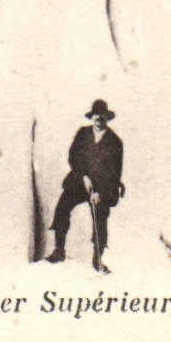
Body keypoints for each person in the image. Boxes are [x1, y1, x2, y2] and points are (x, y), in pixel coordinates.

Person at [44, 99, 124, 273]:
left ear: (107, 119)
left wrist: (99, 192)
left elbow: (114, 173)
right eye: (96, 116)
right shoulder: (82, 134)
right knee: (62, 208)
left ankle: (98, 259)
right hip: (79, 181)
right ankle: (59, 251)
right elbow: (73, 156)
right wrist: (84, 176)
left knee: (100, 217)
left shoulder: (115, 143)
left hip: (102, 188)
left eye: (102, 117)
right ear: (92, 117)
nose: (99, 120)